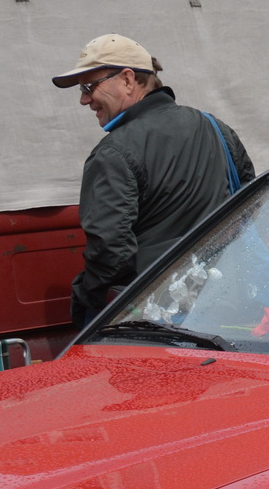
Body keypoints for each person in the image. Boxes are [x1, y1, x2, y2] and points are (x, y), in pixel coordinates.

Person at [52, 34, 254, 328]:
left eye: (88, 86)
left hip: (154, 319)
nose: (84, 99)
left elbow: (110, 252)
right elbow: (250, 205)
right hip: (227, 306)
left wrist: (88, 297)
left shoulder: (113, 152)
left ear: (128, 79)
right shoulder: (216, 128)